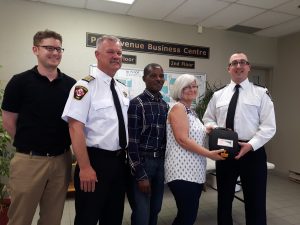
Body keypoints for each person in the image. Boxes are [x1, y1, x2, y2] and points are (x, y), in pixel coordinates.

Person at [1, 30, 76, 225]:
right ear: (35, 49)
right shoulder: (19, 82)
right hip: (29, 161)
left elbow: (75, 123)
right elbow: (8, 121)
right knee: (20, 218)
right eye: (49, 48)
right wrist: (31, 144)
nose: (55, 52)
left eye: (59, 49)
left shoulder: (71, 85)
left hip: (61, 160)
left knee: (52, 218)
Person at [62, 35, 129, 225]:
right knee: (87, 217)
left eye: (119, 52)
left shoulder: (122, 90)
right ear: (97, 54)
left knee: (114, 217)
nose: (116, 56)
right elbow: (75, 127)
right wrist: (84, 167)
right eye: (110, 52)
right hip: (94, 162)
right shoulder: (84, 86)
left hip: (119, 162)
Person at [203, 52, 276, 225]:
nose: (238, 66)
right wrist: (217, 129)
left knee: (255, 200)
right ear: (229, 69)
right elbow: (208, 118)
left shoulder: (261, 93)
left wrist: (251, 145)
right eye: (234, 63)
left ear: (248, 67)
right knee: (224, 199)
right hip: (225, 151)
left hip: (252, 151)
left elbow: (269, 126)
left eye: (242, 62)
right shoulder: (218, 95)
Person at [164, 74, 225, 225]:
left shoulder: (191, 111)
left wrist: (209, 130)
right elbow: (183, 140)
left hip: (193, 171)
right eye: (187, 87)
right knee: (187, 216)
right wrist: (210, 154)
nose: (192, 89)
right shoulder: (178, 108)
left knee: (188, 215)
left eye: (194, 86)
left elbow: (193, 135)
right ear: (179, 89)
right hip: (182, 171)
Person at [127, 63, 169, 225]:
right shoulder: (136, 104)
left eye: (161, 76)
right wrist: (140, 174)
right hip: (143, 163)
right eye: (153, 76)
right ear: (144, 79)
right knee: (142, 212)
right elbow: (132, 143)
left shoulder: (164, 105)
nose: (158, 79)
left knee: (155, 208)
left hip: (160, 163)